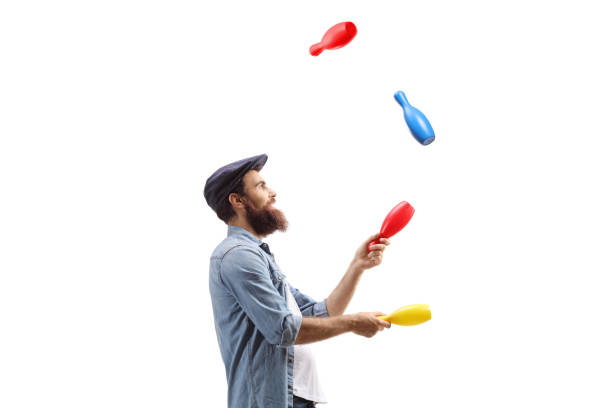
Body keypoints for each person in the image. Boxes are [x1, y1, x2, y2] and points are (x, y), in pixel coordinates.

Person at [204, 154, 391, 408]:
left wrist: (358, 266)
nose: (273, 193)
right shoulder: (237, 256)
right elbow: (283, 329)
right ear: (237, 200)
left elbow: (321, 313)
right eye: (261, 186)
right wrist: (353, 323)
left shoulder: (258, 256)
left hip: (294, 399)